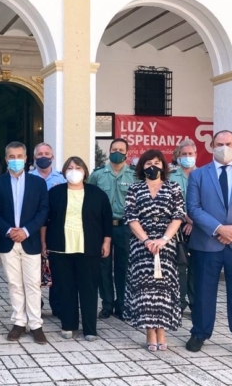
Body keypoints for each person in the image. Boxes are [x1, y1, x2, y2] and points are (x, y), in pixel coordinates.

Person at [45, 156, 112, 341]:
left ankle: (90, 328)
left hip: (89, 248)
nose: (74, 171)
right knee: (65, 288)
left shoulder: (97, 193)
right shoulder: (55, 193)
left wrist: (106, 242)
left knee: (89, 288)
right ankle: (68, 324)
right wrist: (44, 243)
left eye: (78, 167)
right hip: (60, 248)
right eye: (70, 167)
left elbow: (107, 220)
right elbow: (46, 220)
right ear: (64, 171)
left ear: (85, 171)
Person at [124, 149, 184, 351]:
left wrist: (164, 239)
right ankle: (149, 329)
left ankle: (162, 329)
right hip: (142, 245)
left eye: (157, 162)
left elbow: (178, 216)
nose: (153, 166)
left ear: (163, 166)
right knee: (145, 289)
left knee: (163, 289)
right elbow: (131, 217)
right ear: (142, 167)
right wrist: (147, 240)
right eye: (149, 163)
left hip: (166, 245)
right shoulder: (135, 189)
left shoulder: (173, 187)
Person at [185, 130, 232, 352]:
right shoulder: (198, 175)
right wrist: (219, 228)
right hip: (207, 243)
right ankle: (200, 333)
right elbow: (193, 208)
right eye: (219, 143)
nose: (223, 147)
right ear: (211, 146)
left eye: (228, 143)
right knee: (204, 291)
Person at [0, 141, 49, 344]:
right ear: (6, 159)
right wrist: (8, 231)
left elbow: (43, 211)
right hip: (8, 241)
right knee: (14, 283)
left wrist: (25, 231)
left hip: (29, 239)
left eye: (19, 156)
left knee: (33, 283)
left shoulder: (38, 183)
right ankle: (18, 322)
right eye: (11, 157)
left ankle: (36, 324)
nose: (16, 160)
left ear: (26, 159)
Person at [88, 138, 136, 319]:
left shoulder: (134, 175)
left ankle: (122, 305)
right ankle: (107, 304)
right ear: (109, 151)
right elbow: (89, 196)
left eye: (121, 149)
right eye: (114, 149)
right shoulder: (98, 174)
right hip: (102, 228)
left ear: (126, 153)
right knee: (103, 266)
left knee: (124, 266)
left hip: (125, 227)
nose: (117, 152)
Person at [29, 142, 66, 317]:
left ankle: (57, 305)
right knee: (33, 267)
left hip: (54, 229)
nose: (43, 157)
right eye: (40, 154)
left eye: (47, 154)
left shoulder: (62, 179)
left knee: (55, 268)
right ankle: (36, 303)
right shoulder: (27, 178)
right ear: (35, 157)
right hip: (32, 229)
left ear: (52, 157)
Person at [169, 140, 198, 314]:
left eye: (190, 154)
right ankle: (179, 302)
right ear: (177, 157)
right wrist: (187, 219)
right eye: (183, 154)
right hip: (177, 227)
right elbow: (173, 203)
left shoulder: (203, 174)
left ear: (196, 155)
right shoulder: (171, 176)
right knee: (180, 265)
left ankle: (195, 302)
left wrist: (194, 223)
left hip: (199, 228)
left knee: (196, 267)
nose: (187, 157)